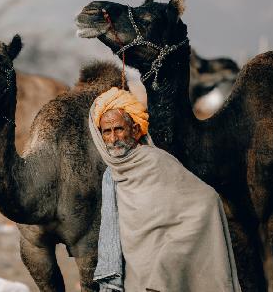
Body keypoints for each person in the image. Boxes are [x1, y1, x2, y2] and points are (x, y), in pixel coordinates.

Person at [89, 87, 241, 292]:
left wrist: (168, 263)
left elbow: (207, 200)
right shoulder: (110, 176)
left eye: (119, 129)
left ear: (135, 130)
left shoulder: (157, 162)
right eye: (107, 132)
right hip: (133, 272)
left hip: (164, 273)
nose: (114, 138)